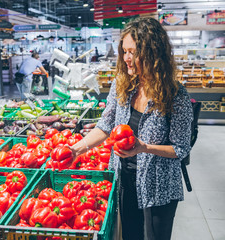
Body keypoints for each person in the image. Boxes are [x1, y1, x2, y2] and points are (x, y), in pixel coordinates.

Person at [69, 17, 193, 240]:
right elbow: (105, 125)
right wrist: (76, 149)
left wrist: (144, 147)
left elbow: (181, 148)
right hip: (125, 178)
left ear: (153, 53)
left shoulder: (176, 95)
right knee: (130, 235)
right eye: (124, 51)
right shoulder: (122, 84)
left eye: (133, 52)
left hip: (159, 185)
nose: (126, 58)